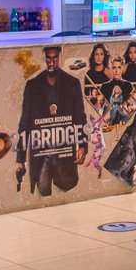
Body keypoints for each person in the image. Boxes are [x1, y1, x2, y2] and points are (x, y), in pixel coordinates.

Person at [15, 44, 88, 197]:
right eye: (48, 59)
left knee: (66, 185)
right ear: (44, 59)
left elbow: (79, 118)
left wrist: (82, 146)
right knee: (43, 190)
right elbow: (25, 123)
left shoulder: (72, 83)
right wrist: (20, 158)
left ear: (60, 57)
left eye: (55, 58)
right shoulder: (33, 86)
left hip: (64, 148)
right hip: (42, 151)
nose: (51, 63)